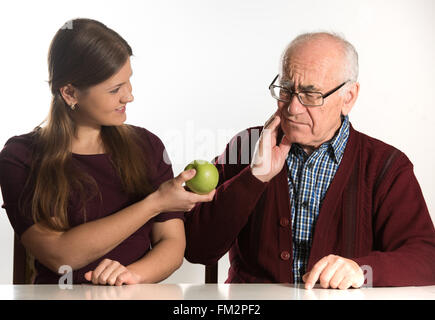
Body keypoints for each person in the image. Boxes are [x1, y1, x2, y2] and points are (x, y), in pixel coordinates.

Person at [184, 32, 435, 289]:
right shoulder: (245, 146)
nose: (292, 108)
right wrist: (254, 177)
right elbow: (197, 249)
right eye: (286, 90)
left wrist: (363, 271)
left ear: (348, 97)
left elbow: (427, 258)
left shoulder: (386, 165)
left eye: (311, 95)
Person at [0, 18, 214, 285]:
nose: (129, 96)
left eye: (128, 82)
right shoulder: (20, 157)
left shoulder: (147, 146)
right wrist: (155, 203)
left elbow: (171, 244)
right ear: (69, 93)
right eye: (115, 89)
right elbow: (59, 254)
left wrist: (131, 275)